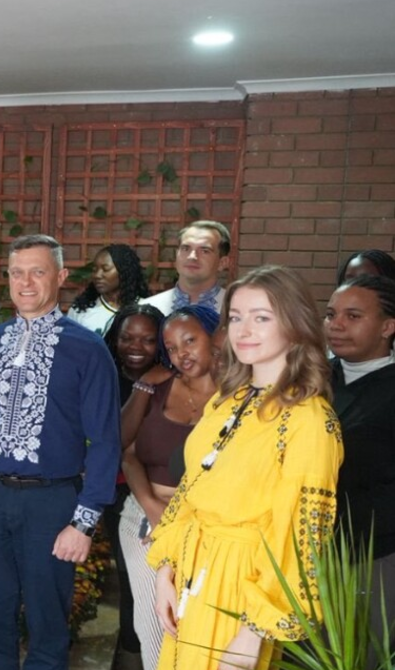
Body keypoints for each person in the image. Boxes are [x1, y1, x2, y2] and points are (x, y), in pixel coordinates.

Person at [147, 265, 343, 670]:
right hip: (191, 570)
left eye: (261, 318)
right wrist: (166, 569)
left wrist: (254, 630)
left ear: (294, 324)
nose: (244, 330)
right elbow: (192, 488)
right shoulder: (226, 401)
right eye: (236, 317)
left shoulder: (309, 419)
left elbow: (302, 534)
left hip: (243, 585)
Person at [0, 234, 120, 670]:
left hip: (51, 502)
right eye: (16, 273)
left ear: (60, 277)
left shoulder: (88, 349)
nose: (25, 283)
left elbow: (105, 441)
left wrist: (83, 523)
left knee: (47, 621)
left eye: (37, 272)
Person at [116, 305, 220, 670]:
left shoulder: (237, 397)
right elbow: (128, 453)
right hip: (144, 521)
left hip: (207, 529)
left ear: (216, 338)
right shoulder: (158, 387)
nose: (181, 354)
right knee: (155, 629)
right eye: (172, 347)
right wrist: (151, 506)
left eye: (190, 341)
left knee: (199, 632)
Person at [324, 274, 395, 648]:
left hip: (373, 558)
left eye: (353, 316)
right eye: (331, 314)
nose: (336, 325)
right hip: (308, 553)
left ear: (388, 326)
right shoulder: (313, 378)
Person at [98, 301, 164, 668]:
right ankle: (131, 651)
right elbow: (116, 441)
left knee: (147, 577)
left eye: (148, 339)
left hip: (156, 491)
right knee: (128, 576)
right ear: (115, 337)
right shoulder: (103, 375)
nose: (135, 347)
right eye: (127, 337)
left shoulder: (170, 379)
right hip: (113, 489)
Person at [140, 221, 231, 315]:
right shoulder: (147, 310)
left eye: (204, 251)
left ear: (222, 263)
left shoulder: (234, 309)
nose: (192, 256)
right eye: (185, 249)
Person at [67, 243, 151, 335]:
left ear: (124, 271)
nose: (97, 275)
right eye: (95, 270)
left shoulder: (146, 309)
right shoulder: (81, 310)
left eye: (105, 269)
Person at [103, 304, 166, 404]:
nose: (135, 347)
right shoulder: (101, 380)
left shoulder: (172, 382)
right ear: (115, 340)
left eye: (148, 340)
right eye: (126, 339)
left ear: (161, 342)